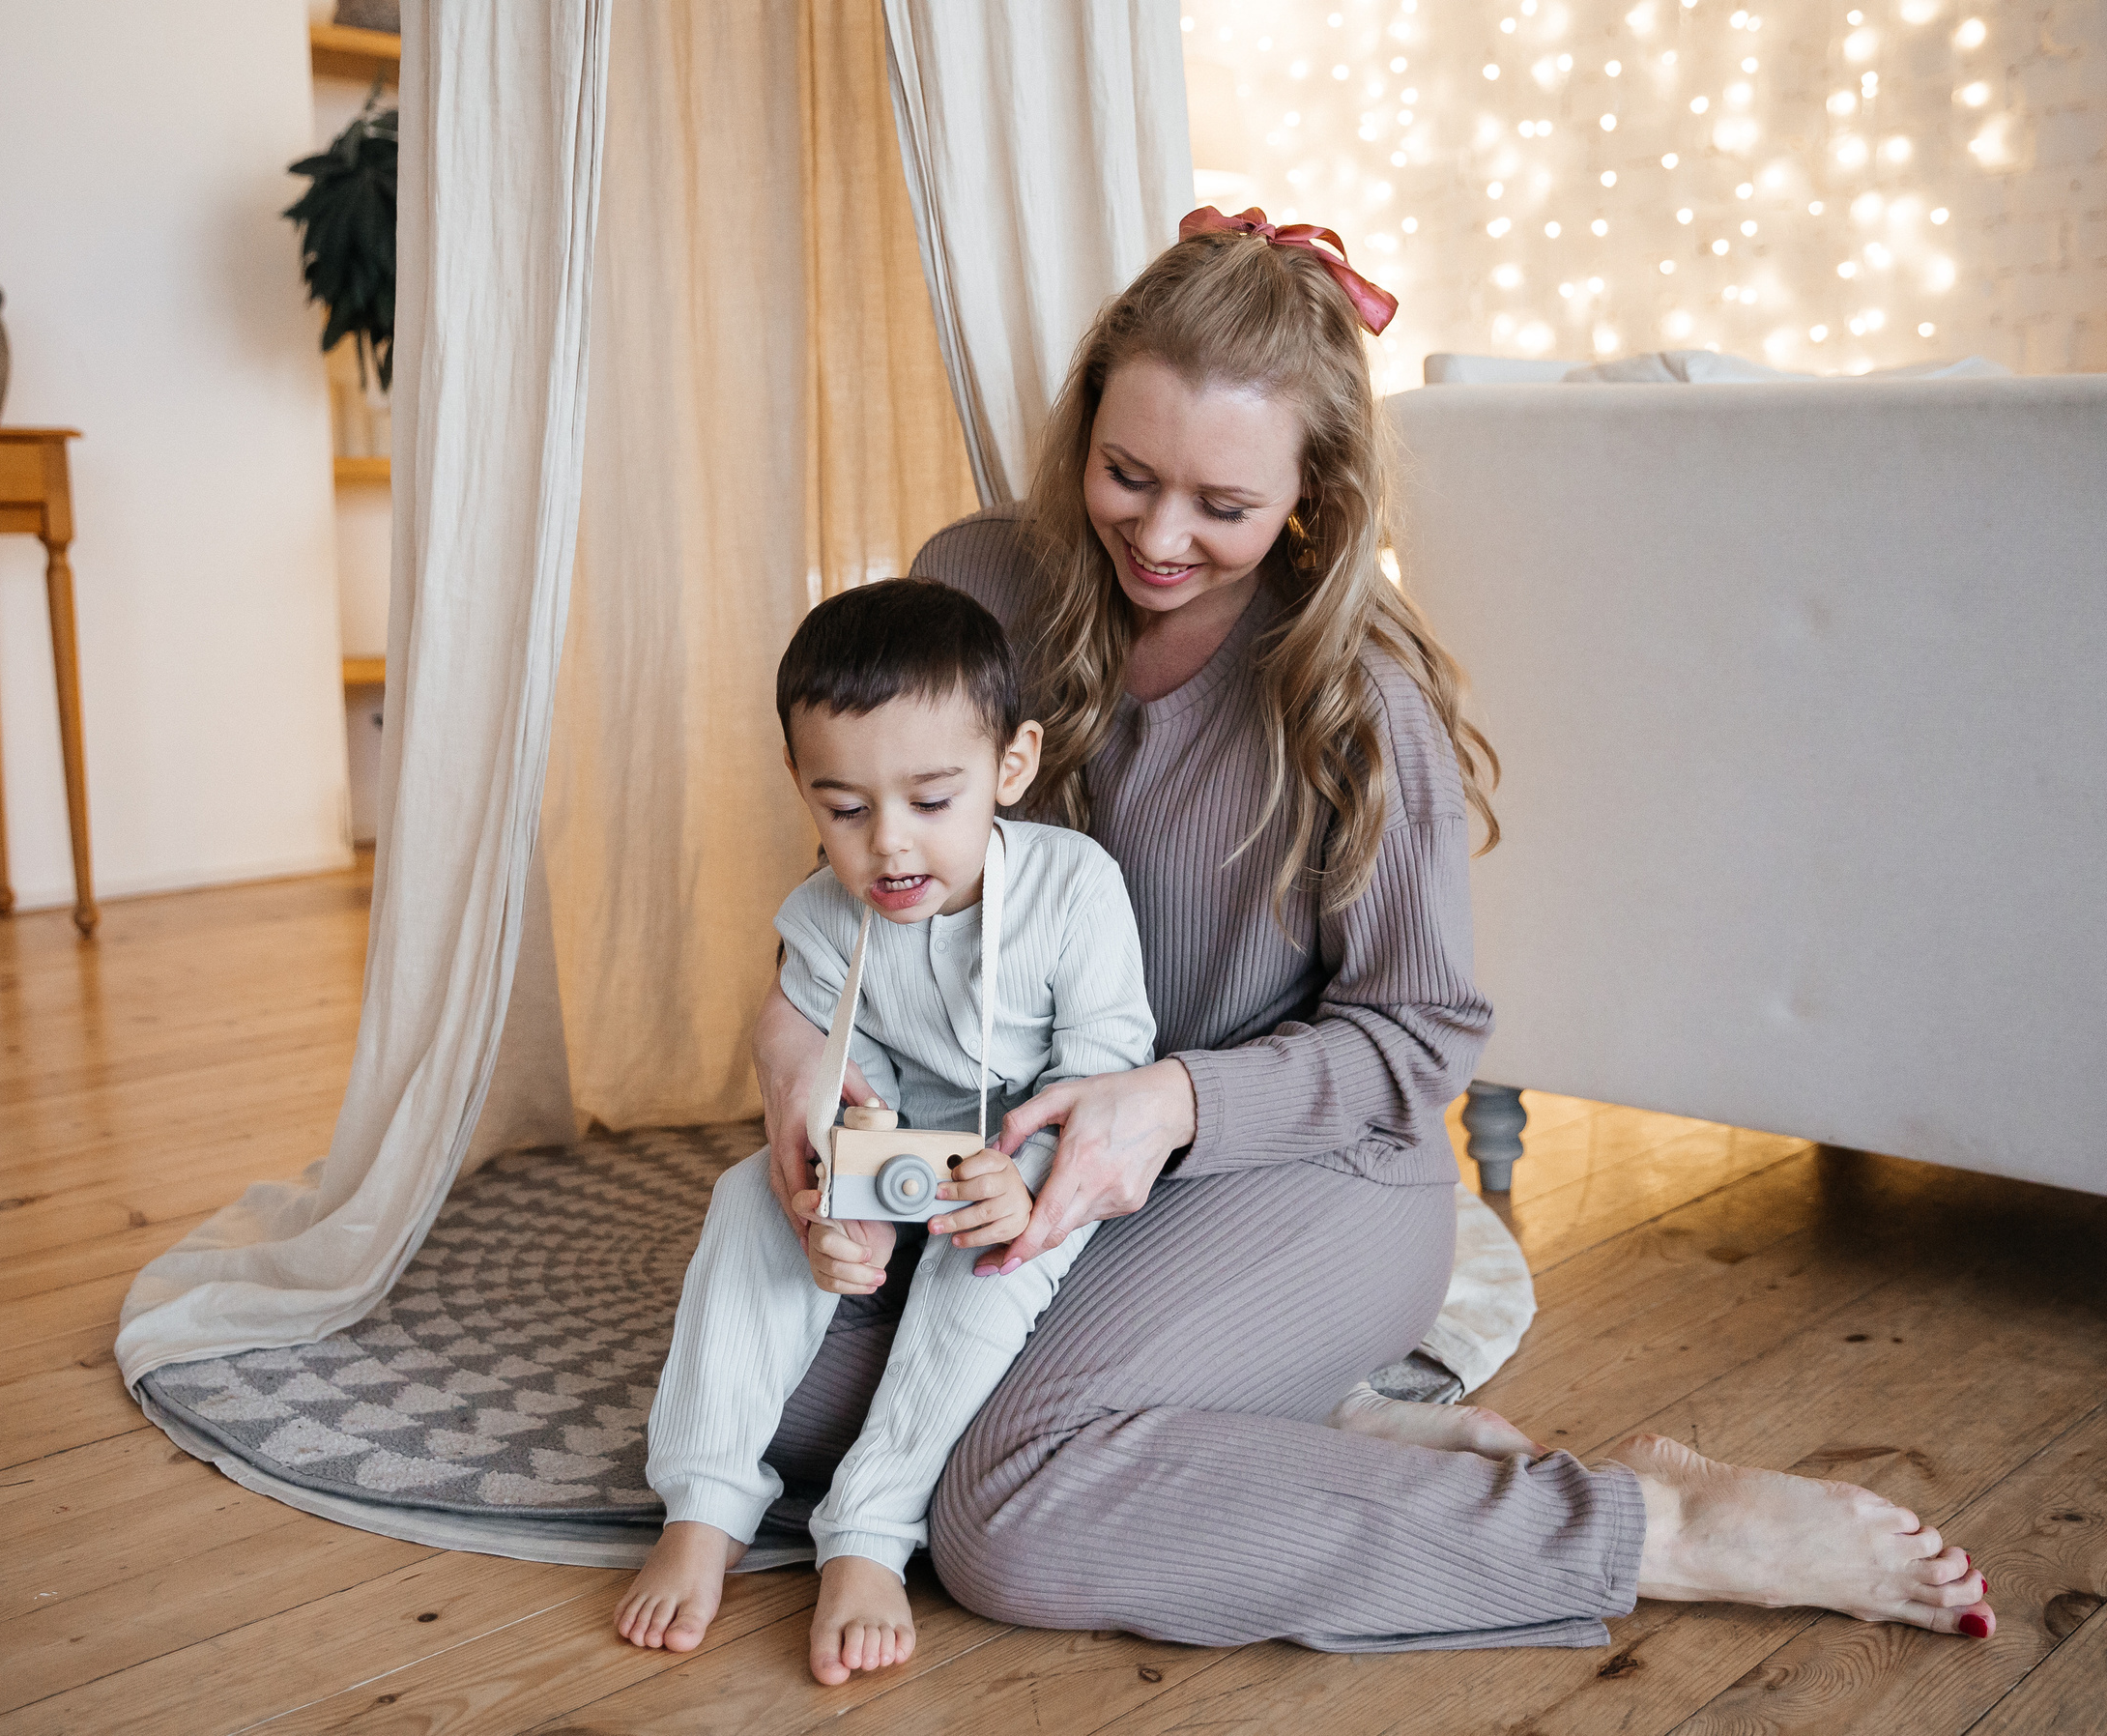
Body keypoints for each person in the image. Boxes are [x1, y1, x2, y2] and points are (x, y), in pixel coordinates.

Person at [744, 210, 1997, 1664]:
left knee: (1002, 1511)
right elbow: (848, 898)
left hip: (1299, 1171)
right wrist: (792, 1059)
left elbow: (1421, 1033)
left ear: (1313, 497)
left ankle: (1652, 1527)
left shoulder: (1356, 695)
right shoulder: (977, 585)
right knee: (767, 1395)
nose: (1157, 536)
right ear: (1084, 426)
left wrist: (1172, 1105)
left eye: (1221, 503)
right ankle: (1288, 1424)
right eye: (1127, 474)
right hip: (1020, 1153)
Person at [615, 579, 1160, 1682]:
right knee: (741, 1200)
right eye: (847, 810)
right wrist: (826, 1196)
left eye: (930, 799)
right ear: (802, 790)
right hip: (893, 1155)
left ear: (1011, 767)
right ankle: (704, 1500)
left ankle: (869, 1524)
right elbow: (821, 1080)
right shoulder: (820, 918)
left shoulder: (1071, 886)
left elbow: (1103, 1070)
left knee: (992, 1257)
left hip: (1026, 1161)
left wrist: (1020, 1182)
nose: (890, 848)